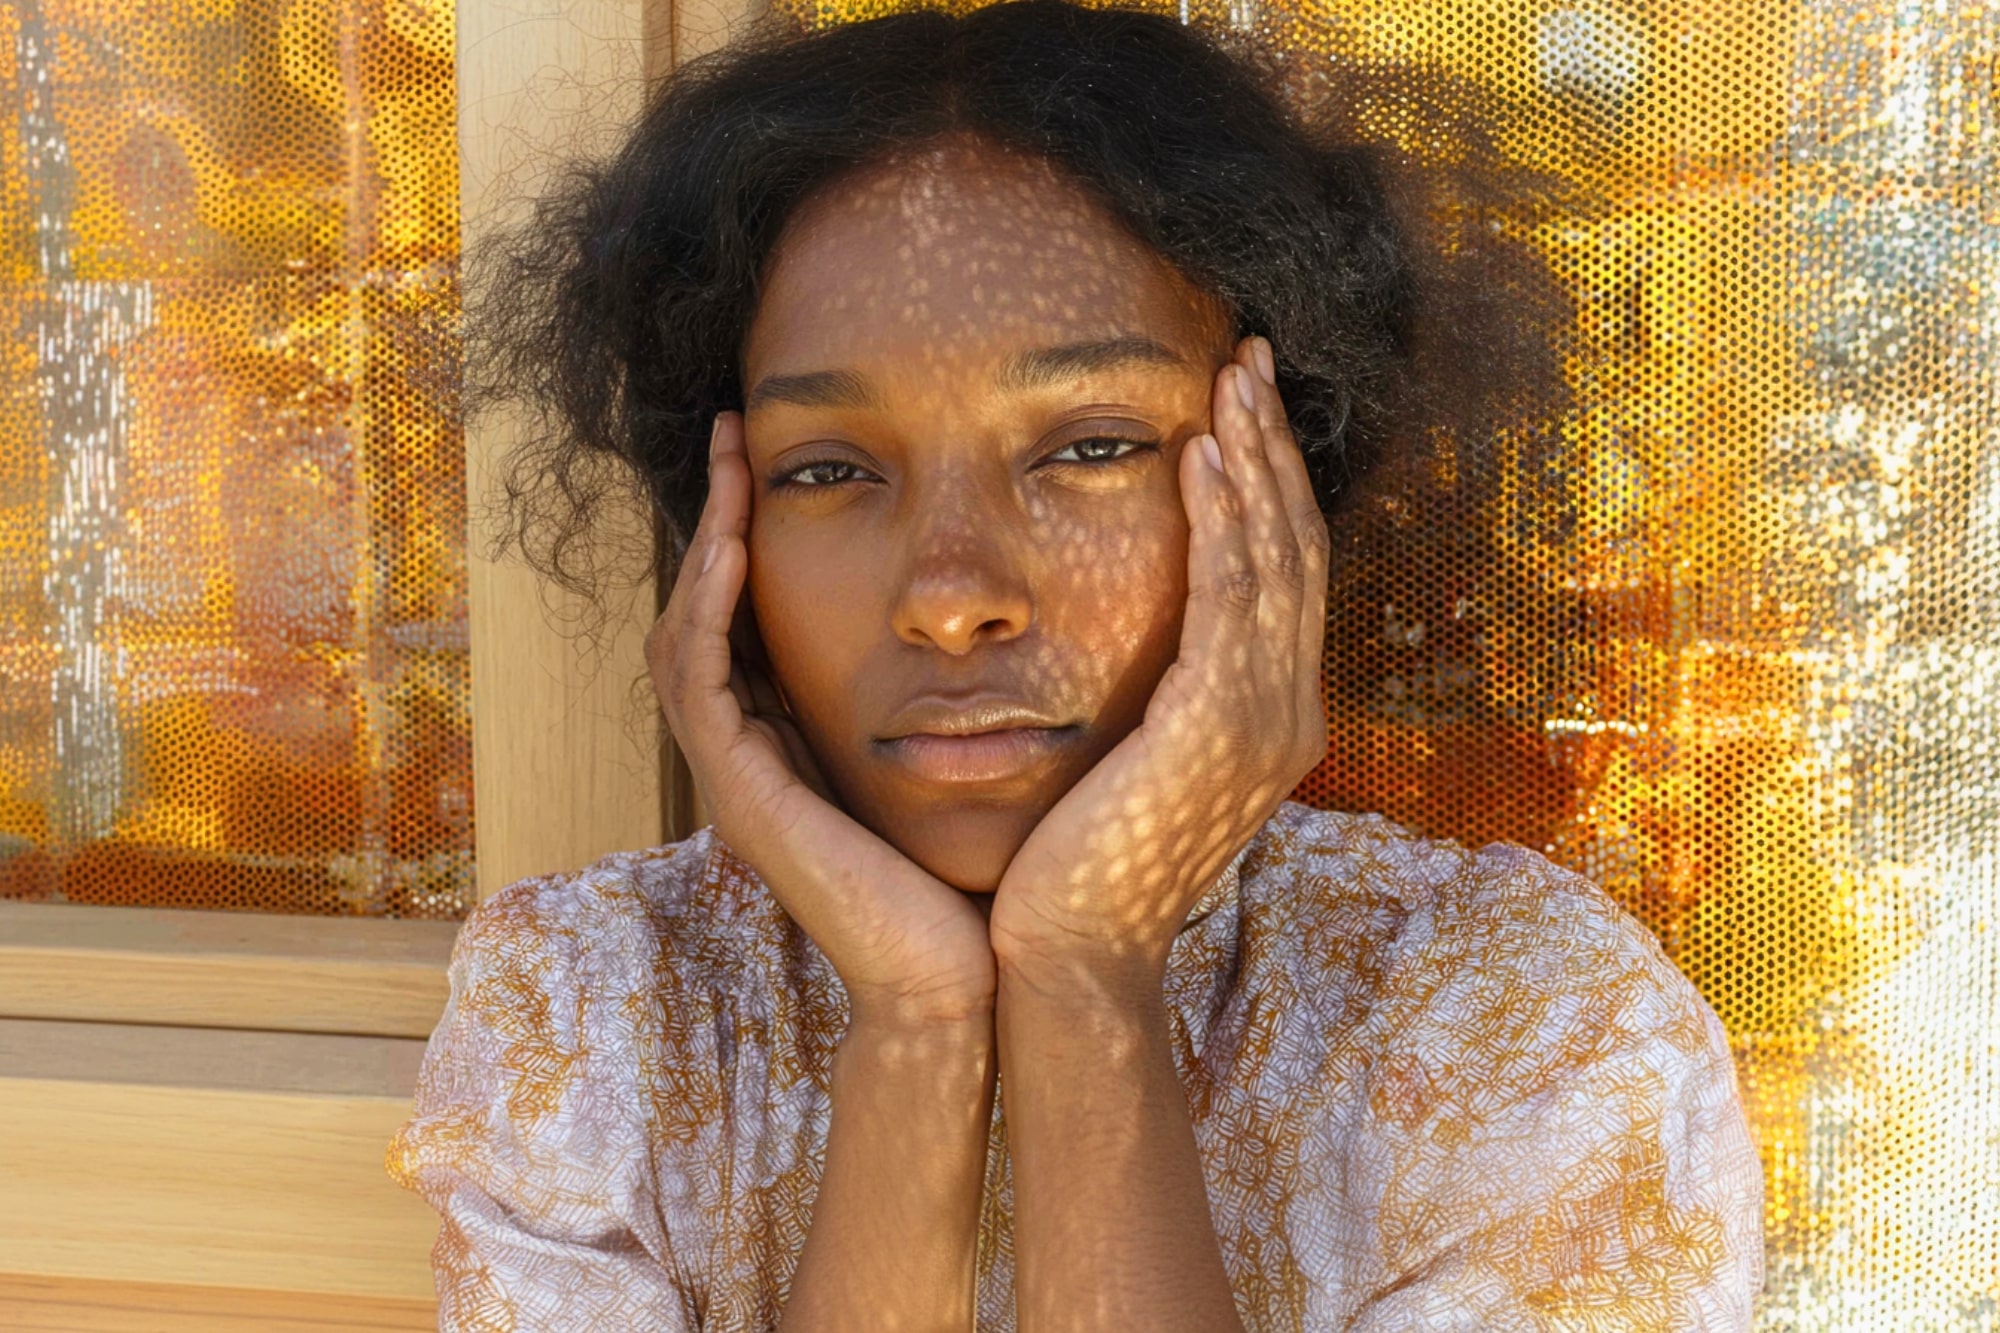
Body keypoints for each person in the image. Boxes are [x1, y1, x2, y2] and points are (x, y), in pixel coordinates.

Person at [388, 3, 1764, 1327]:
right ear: (722, 538)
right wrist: (917, 1029)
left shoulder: (1532, 1034)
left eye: (1089, 447)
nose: (949, 597)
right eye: (828, 468)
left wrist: (1086, 985)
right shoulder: (592, 1013)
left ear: (1278, 482)